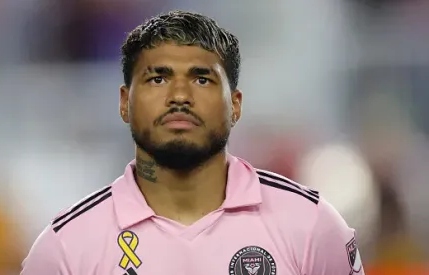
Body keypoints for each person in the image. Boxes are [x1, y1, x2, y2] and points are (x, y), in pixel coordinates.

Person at [21, 10, 365, 275]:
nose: (180, 96)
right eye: (158, 78)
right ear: (125, 102)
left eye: (202, 79)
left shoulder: (311, 226)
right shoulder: (65, 248)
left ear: (236, 104)